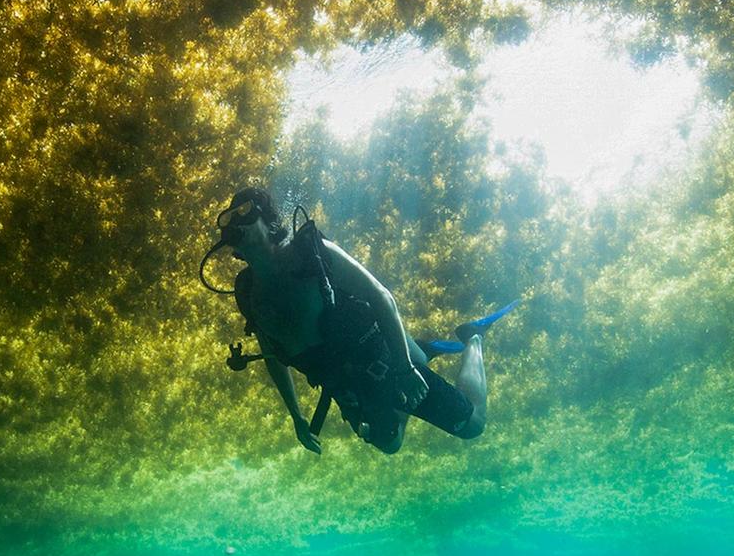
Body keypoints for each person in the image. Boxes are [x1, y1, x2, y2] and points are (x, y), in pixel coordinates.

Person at [211, 187, 514, 454]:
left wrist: (404, 367)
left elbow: (380, 296)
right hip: (344, 384)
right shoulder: (249, 292)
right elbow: (272, 353)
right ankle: (418, 351)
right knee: (389, 444)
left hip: (384, 361)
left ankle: (472, 338)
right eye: (230, 221)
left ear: (268, 220)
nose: (238, 223)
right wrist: (297, 416)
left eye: (245, 213)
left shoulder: (310, 253)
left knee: (472, 424)